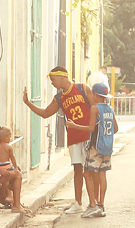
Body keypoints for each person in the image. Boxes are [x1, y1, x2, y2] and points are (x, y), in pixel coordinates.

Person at [23, 67, 95, 214]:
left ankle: (95, 203)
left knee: (91, 170)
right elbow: (45, 113)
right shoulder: (59, 98)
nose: (52, 83)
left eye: (53, 80)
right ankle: (78, 203)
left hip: (88, 134)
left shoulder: (82, 88)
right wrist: (28, 103)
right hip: (74, 136)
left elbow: (95, 107)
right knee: (77, 169)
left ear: (62, 77)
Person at [82, 82, 117, 219]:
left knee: (87, 173)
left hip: (96, 146)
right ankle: (101, 204)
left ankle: (93, 204)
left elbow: (91, 129)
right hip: (107, 147)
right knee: (102, 175)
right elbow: (116, 128)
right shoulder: (109, 108)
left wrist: (74, 126)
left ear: (95, 95)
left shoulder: (94, 109)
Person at [0, 126, 31, 215]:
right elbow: (12, 158)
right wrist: (16, 167)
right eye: (9, 137)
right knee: (15, 176)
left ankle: (10, 197)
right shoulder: (9, 147)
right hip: (7, 165)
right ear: (5, 138)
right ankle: (11, 197)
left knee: (7, 179)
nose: (10, 138)